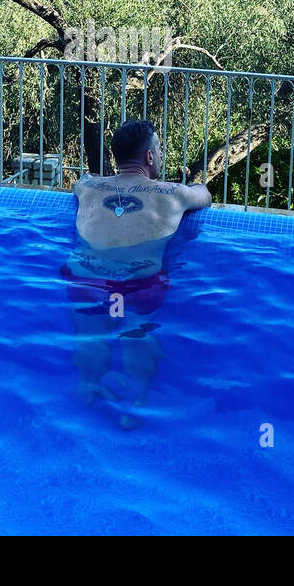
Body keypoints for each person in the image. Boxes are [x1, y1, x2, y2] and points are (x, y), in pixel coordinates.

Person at [62, 119, 211, 427]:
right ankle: (138, 400)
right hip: (138, 281)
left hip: (86, 275)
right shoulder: (174, 194)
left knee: (89, 336)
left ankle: (89, 386)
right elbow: (205, 195)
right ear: (149, 157)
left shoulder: (88, 186)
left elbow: (81, 182)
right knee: (136, 332)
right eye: (158, 148)